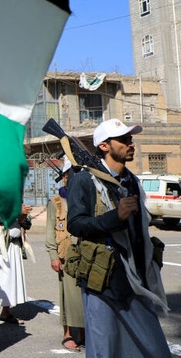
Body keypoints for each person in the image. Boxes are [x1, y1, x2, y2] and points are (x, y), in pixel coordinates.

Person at [67, 119, 170, 357]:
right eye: (123, 140)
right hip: (102, 280)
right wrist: (115, 217)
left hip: (134, 278)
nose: (130, 144)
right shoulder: (84, 179)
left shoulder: (131, 181)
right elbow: (75, 224)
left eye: (130, 139)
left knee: (152, 347)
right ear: (104, 146)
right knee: (104, 348)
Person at [45, 158, 85, 352]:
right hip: (66, 255)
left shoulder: (86, 197)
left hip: (85, 254)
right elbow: (50, 231)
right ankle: (68, 334)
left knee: (86, 296)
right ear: (64, 178)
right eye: (69, 174)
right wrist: (53, 255)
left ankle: (85, 333)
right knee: (68, 297)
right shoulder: (56, 202)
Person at [0, 201, 31, 327]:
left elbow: (27, 224)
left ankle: (6, 312)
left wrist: (23, 216)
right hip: (0, 246)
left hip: (15, 245)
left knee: (11, 280)